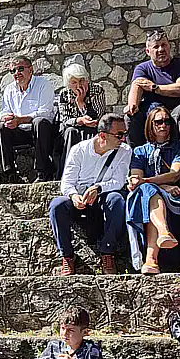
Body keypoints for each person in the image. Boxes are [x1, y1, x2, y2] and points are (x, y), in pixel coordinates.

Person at [49, 114, 132, 276]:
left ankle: (107, 252)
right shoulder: (79, 150)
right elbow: (67, 182)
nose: (123, 139)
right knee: (56, 205)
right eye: (119, 135)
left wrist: (98, 188)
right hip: (78, 201)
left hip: (102, 199)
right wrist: (73, 196)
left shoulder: (124, 151)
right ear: (102, 135)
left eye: (125, 134)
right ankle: (67, 256)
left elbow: (119, 181)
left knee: (117, 199)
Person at [126, 105, 180, 274]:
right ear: (150, 125)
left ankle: (151, 260)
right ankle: (163, 232)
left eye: (167, 122)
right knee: (148, 191)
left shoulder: (179, 147)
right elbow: (136, 178)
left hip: (174, 195)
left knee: (149, 190)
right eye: (159, 122)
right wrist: (161, 186)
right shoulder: (139, 151)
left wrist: (149, 182)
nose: (164, 126)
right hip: (148, 195)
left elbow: (175, 174)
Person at [124, 29, 180, 148]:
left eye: (164, 45)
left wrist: (155, 88)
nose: (161, 49)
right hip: (152, 113)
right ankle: (137, 156)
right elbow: (137, 85)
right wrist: (132, 105)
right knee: (131, 116)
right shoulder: (142, 68)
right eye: (156, 47)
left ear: (169, 46)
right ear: (148, 51)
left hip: (176, 111)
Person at [0, 54, 59, 181]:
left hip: (41, 130)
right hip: (19, 130)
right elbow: (3, 111)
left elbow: (45, 113)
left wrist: (20, 119)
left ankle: (42, 172)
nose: (16, 73)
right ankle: (10, 173)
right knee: (0, 127)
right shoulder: (9, 89)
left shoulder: (43, 84)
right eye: (13, 71)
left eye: (20, 69)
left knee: (40, 122)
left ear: (31, 70)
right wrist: (5, 118)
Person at [34, 306, 104, 359]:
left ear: (84, 332)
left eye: (71, 330)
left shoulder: (91, 350)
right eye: (62, 328)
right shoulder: (54, 346)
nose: (64, 334)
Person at [55, 62, 107, 164]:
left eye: (81, 80)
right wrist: (80, 120)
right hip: (74, 127)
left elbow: (97, 116)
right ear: (68, 84)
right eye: (74, 82)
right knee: (70, 132)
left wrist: (81, 102)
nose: (79, 85)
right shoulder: (64, 94)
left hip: (93, 127)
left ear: (86, 80)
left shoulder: (97, 90)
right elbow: (65, 120)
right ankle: (68, 169)